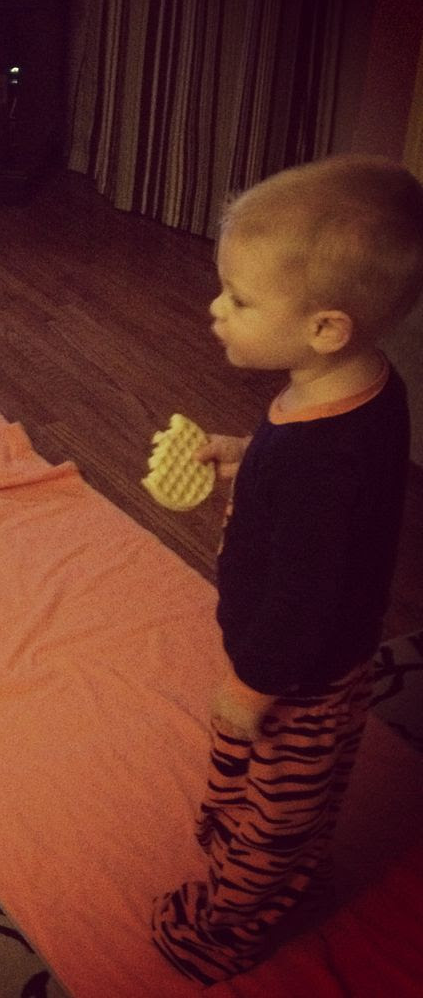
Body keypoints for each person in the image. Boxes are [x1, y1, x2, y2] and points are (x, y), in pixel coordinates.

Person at [150, 154, 423, 985]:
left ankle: (227, 928)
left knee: (275, 814)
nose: (217, 309)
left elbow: (304, 595)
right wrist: (246, 454)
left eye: (239, 300)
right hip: (328, 657)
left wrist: (253, 686)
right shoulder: (361, 387)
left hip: (296, 676)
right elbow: (337, 502)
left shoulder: (318, 459)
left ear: (325, 327)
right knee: (300, 794)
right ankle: (290, 874)